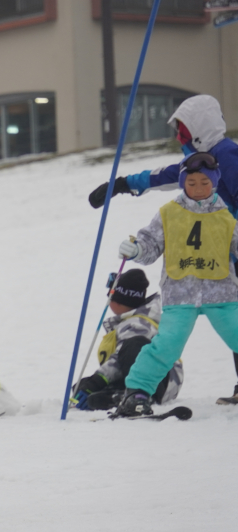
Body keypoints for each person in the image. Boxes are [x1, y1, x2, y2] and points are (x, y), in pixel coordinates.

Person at [87, 95, 238, 404]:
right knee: (175, 338)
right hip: (197, 273)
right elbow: (161, 177)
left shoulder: (227, 156)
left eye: (183, 130)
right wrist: (121, 184)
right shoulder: (197, 161)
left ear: (198, 129)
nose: (179, 137)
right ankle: (138, 390)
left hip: (226, 254)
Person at [115, 152, 238, 415]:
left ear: (214, 182)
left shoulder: (226, 214)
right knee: (167, 344)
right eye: (191, 183)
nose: (198, 189)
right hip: (180, 293)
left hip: (222, 294)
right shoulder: (169, 213)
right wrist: (136, 250)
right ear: (183, 183)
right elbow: (151, 245)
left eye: (205, 183)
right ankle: (137, 393)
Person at [71, 269, 183, 410]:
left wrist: (96, 381)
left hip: (158, 381)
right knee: (85, 388)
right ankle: (117, 396)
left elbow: (119, 359)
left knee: (135, 345)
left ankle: (141, 398)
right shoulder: (132, 321)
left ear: (116, 300)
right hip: (152, 380)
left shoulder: (137, 324)